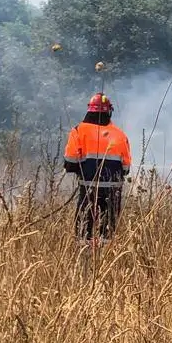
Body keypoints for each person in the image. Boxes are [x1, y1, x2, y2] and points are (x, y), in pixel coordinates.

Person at [63, 92, 132, 243]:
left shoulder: (78, 131)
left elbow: (70, 163)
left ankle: (84, 258)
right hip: (113, 190)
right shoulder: (120, 135)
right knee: (108, 231)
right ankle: (105, 259)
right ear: (109, 112)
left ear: (89, 110)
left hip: (88, 189)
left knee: (84, 230)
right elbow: (126, 169)